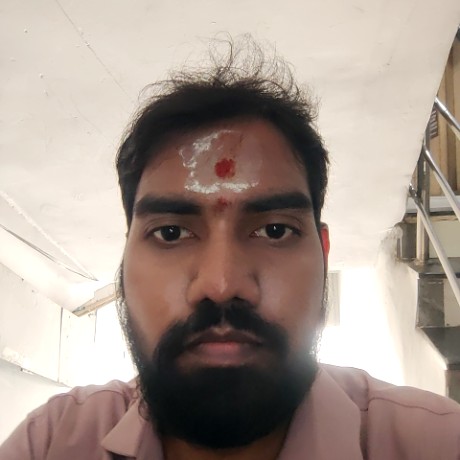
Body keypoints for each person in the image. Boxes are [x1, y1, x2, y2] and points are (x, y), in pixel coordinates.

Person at [1, 39, 460, 460]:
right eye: (170, 233)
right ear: (125, 259)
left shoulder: (437, 442)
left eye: (275, 230)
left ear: (324, 255)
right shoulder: (51, 442)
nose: (221, 285)